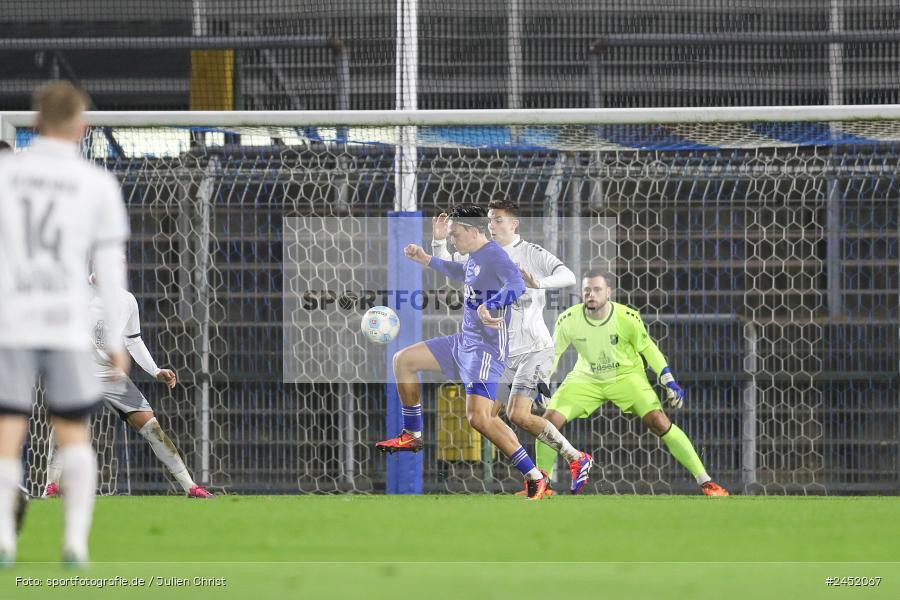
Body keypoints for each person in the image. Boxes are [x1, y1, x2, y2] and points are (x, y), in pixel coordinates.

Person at [0, 81, 131, 566]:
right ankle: (74, 542)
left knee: (8, 432)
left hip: (11, 319)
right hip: (68, 323)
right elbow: (111, 266)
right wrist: (115, 340)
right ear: (82, 127)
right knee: (73, 431)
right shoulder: (97, 184)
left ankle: (5, 540)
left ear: (34, 125)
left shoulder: (6, 174)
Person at [375, 204, 552, 499]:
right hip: (462, 342)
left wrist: (490, 306)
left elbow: (517, 284)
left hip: (486, 349)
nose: (454, 240)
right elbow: (462, 271)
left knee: (480, 419)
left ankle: (534, 476)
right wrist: (427, 258)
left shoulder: (496, 255)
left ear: (473, 230)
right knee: (403, 360)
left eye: (456, 234)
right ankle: (413, 435)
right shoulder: (475, 257)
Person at [432, 199, 592, 495]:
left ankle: (574, 459)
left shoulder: (530, 253)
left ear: (513, 224)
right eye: (489, 220)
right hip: (501, 353)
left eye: (498, 220)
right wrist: (439, 241)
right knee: (483, 417)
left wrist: (537, 282)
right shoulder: (482, 255)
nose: (492, 225)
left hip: (533, 349)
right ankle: (538, 477)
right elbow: (452, 272)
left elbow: (568, 275)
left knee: (518, 414)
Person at [540, 270, 730, 496]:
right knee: (548, 421)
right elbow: (553, 354)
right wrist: (542, 381)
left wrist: (668, 379)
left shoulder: (627, 317)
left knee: (658, 421)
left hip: (627, 376)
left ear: (609, 292)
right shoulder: (569, 319)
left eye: (597, 289)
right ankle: (542, 483)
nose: (591, 294)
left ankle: (706, 482)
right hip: (586, 377)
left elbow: (648, 348)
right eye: (587, 290)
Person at [44, 268, 213, 500]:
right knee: (69, 423)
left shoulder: (126, 301)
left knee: (151, 426)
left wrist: (155, 370)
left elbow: (134, 341)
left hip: (111, 375)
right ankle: (51, 484)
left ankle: (190, 486)